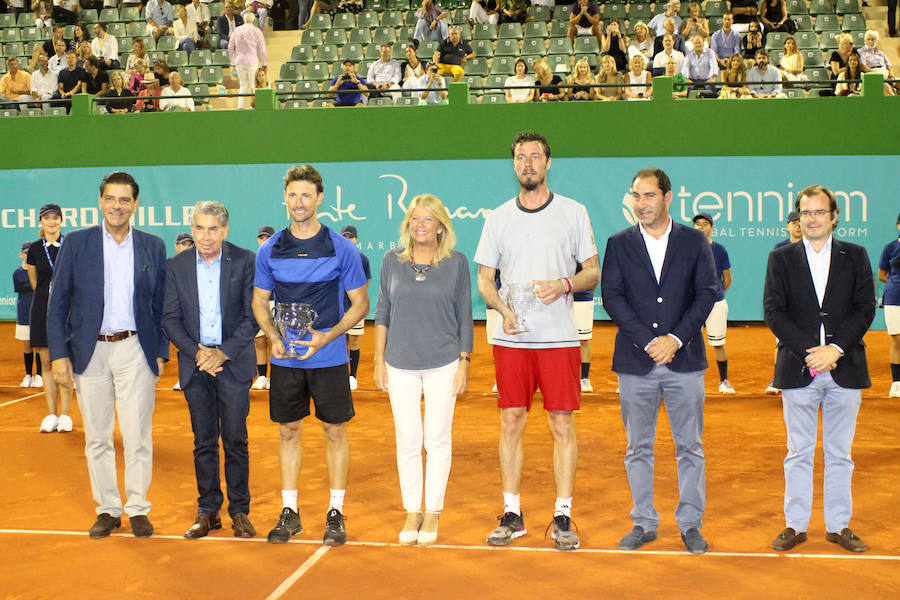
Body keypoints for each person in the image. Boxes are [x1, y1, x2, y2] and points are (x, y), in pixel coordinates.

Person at [475, 131, 600, 552]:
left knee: (561, 423)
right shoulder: (497, 218)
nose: (527, 163)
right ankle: (512, 513)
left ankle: (562, 514)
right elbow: (484, 279)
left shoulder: (574, 212)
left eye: (535, 156)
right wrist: (503, 311)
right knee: (511, 421)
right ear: (514, 166)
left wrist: (564, 284)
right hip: (511, 340)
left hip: (559, 339)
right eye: (520, 157)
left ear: (548, 163)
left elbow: (592, 271)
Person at [601, 168, 718, 554]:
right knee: (637, 447)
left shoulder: (694, 241)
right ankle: (644, 522)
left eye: (649, 196)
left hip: (684, 361)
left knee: (690, 446)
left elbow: (706, 294)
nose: (641, 203)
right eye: (636, 196)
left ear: (668, 198)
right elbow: (613, 297)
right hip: (636, 362)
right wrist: (651, 341)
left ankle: (690, 524)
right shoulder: (618, 243)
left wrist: (675, 338)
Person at [47, 171, 168, 539]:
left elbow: (161, 304)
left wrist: (160, 351)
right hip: (89, 351)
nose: (117, 206)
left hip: (136, 349)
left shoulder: (153, 246)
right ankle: (108, 509)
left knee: (137, 435)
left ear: (135, 205)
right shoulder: (78, 243)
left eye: (125, 200)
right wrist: (58, 355)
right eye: (111, 199)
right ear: (100, 202)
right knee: (97, 436)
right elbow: (58, 304)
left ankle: (137, 508)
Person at [252, 165, 368, 547]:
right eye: (292, 195)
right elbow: (259, 302)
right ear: (284, 198)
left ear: (320, 199)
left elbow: (359, 305)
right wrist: (273, 337)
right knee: (289, 431)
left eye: (306, 195)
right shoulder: (269, 250)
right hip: (285, 360)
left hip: (330, 358)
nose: (299, 202)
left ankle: (335, 511)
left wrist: (326, 338)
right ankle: (290, 510)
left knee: (335, 431)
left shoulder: (342, 248)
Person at [764, 184, 875, 554]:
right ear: (799, 217)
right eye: (805, 212)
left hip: (845, 366)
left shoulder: (855, 255)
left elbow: (864, 309)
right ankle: (795, 525)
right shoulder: (781, 258)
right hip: (800, 366)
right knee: (798, 451)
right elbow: (773, 312)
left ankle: (839, 525)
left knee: (840, 452)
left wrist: (836, 349)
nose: (812, 219)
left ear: (834, 217)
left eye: (819, 212)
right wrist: (811, 351)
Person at [374, 194, 473, 546]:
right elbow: (382, 311)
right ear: (407, 225)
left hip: (444, 363)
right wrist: (378, 360)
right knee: (408, 442)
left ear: (441, 226)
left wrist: (464, 362)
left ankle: (433, 511)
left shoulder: (457, 263)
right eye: (415, 219)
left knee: (437, 439)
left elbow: (464, 314)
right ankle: (411, 511)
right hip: (398, 364)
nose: (420, 225)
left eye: (427, 219)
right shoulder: (391, 261)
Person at [163, 201, 258, 540]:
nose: (206, 236)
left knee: (235, 440)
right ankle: (208, 511)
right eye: (200, 228)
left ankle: (240, 511)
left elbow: (253, 316)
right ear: (192, 229)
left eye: (213, 229)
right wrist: (198, 353)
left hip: (232, 364)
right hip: (195, 364)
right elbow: (170, 318)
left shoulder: (246, 260)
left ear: (225, 230)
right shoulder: (175, 266)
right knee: (203, 441)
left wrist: (223, 354)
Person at [26, 204, 74, 432]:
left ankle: (65, 414)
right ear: (41, 222)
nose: (52, 222)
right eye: (47, 218)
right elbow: (36, 283)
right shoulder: (34, 249)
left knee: (64, 361)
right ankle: (52, 414)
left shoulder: (70, 245)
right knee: (46, 363)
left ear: (61, 221)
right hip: (42, 310)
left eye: (56, 218)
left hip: (67, 311)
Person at [692, 213, 735, 393]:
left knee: (718, 343)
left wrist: (715, 294)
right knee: (689, 344)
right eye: (698, 224)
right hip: (692, 304)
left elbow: (727, 278)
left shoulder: (720, 250)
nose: (701, 227)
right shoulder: (687, 249)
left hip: (715, 303)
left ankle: (724, 381)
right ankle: (691, 383)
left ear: (712, 228)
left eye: (705, 224)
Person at [765, 210, 802, 395]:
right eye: (793, 222)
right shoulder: (779, 248)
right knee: (781, 342)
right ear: (787, 226)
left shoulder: (812, 245)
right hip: (786, 305)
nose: (796, 225)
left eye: (799, 221)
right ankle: (778, 379)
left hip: (807, 306)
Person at [340, 225, 370, 391]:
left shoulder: (363, 259)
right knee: (339, 341)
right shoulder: (335, 258)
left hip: (355, 308)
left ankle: (353, 376)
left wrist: (361, 305)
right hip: (338, 308)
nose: (348, 239)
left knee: (353, 340)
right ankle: (343, 374)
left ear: (356, 239)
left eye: (351, 236)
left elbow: (366, 285)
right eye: (345, 236)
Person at [877, 213, 900, 398]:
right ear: (898, 226)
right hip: (894, 298)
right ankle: (897, 383)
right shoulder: (890, 248)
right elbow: (881, 274)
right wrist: (895, 282)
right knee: (897, 339)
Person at [228, 12, 268, 110]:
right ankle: (254, 106)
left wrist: (233, 61)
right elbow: (262, 49)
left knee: (243, 85)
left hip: (239, 61)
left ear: (244, 20)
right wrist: (264, 63)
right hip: (252, 61)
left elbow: (230, 47)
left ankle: (240, 106)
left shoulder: (237, 30)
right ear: (254, 20)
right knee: (254, 84)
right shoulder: (257, 31)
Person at [14, 242, 40, 389]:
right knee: (27, 345)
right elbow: (19, 290)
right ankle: (29, 375)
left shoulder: (40, 271)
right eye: (25, 253)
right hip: (24, 313)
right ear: (21, 254)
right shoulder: (17, 273)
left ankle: (40, 375)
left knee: (40, 345)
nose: (28, 255)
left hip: (38, 312)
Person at [252, 225, 275, 391]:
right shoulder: (252, 259)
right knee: (259, 340)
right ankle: (261, 376)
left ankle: (275, 376)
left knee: (274, 340)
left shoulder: (280, 258)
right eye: (262, 237)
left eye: (268, 237)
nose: (264, 241)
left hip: (275, 303)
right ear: (258, 240)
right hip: (259, 303)